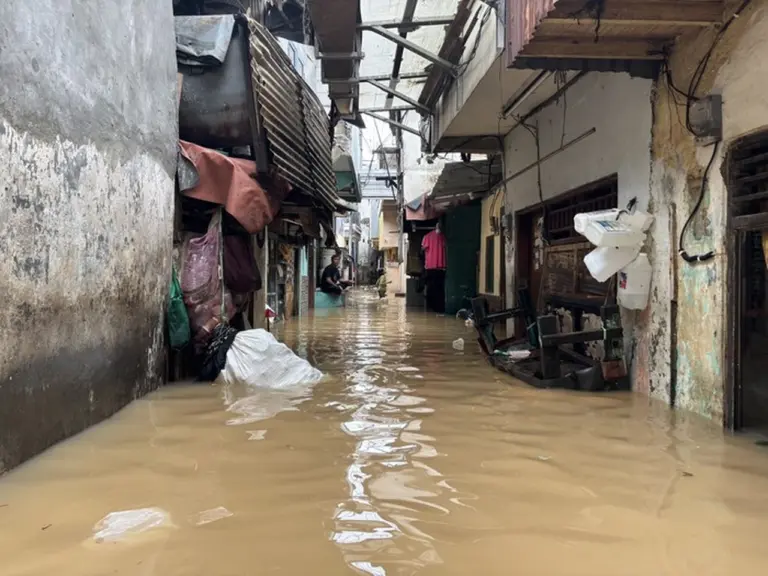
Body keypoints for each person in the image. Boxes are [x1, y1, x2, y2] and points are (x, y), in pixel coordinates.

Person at [421, 221, 447, 313]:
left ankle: (432, 309)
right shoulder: (444, 237)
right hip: (440, 267)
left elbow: (423, 249)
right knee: (439, 289)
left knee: (432, 288)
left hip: (431, 267)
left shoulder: (427, 237)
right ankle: (438, 309)